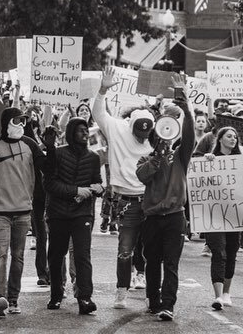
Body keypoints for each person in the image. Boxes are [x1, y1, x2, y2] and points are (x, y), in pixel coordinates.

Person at [91, 66, 154, 310]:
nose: (143, 137)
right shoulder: (117, 129)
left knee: (152, 250)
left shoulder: (156, 136)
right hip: (126, 200)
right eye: (139, 131)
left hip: (150, 200)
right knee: (125, 250)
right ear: (131, 125)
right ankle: (121, 292)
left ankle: (151, 293)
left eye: (147, 133)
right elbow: (99, 115)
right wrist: (103, 90)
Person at [135, 73, 195, 321]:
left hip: (174, 217)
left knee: (171, 263)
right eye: (160, 134)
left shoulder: (181, 156)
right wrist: (158, 156)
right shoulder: (146, 159)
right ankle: (153, 300)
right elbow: (143, 176)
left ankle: (167, 304)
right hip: (151, 218)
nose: (165, 138)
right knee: (153, 261)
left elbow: (190, 135)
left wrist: (185, 104)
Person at [0, 106, 45, 319]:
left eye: (24, 121)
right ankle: (0, 298)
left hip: (23, 210)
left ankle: (14, 298)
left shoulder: (30, 145)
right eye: (18, 120)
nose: (22, 125)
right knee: (1, 254)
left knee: (17, 257)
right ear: (7, 122)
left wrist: (51, 150)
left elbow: (47, 167)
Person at [42, 117, 104, 314]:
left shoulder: (94, 158)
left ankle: (85, 298)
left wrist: (98, 188)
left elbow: (97, 181)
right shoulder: (58, 154)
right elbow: (49, 184)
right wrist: (75, 190)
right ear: (70, 133)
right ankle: (56, 294)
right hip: (58, 213)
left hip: (82, 214)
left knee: (82, 255)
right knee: (56, 254)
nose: (86, 133)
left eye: (86, 130)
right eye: (81, 130)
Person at [199, 127, 243, 310]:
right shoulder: (208, 160)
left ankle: (227, 293)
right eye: (229, 136)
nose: (233, 138)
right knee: (218, 253)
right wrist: (206, 163)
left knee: (230, 252)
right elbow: (196, 183)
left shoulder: (241, 163)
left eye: (235, 136)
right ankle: (218, 296)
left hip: (234, 215)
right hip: (213, 215)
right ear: (219, 139)